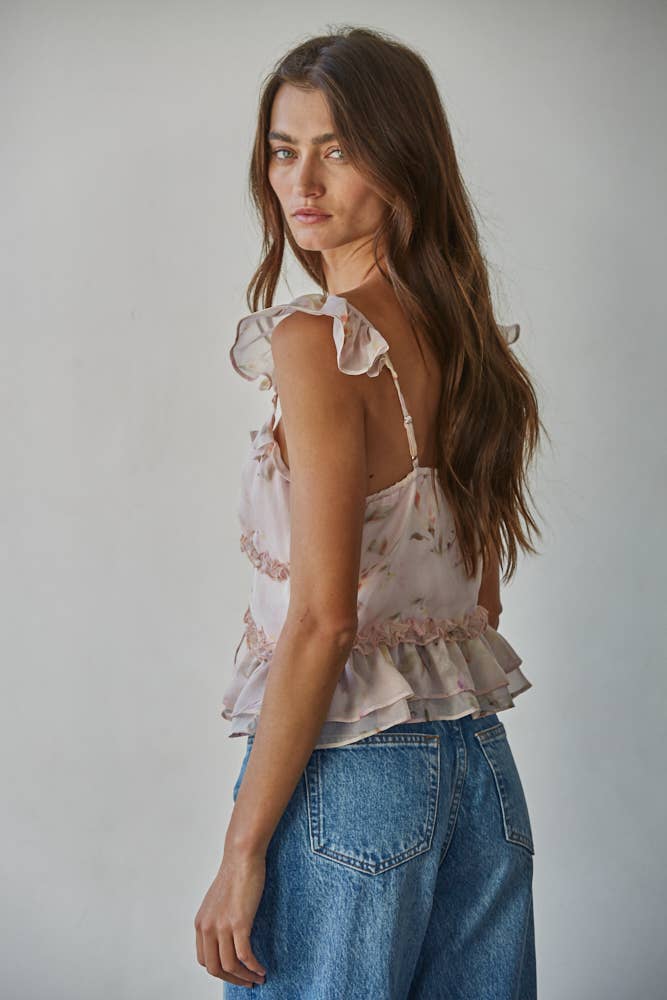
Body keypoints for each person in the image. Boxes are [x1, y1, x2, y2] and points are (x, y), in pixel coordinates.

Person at [194, 26, 545, 999]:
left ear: (400, 161)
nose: (300, 180)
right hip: (479, 774)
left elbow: (322, 618)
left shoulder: (314, 341)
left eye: (337, 149)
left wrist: (242, 848)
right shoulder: (474, 350)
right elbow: (481, 603)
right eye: (281, 148)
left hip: (349, 781)